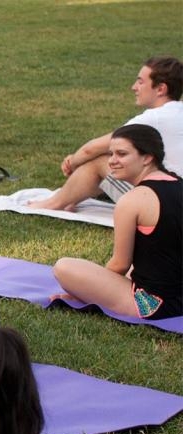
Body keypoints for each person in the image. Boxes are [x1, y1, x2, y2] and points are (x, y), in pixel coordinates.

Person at [53, 124, 182, 319]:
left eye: (121, 154)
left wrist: (87, 291)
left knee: (63, 267)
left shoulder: (132, 201)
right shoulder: (179, 185)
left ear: (147, 157)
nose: (112, 161)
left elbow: (119, 265)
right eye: (111, 154)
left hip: (154, 304)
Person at [31, 55, 183, 211]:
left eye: (140, 81)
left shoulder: (154, 118)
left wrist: (72, 162)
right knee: (125, 163)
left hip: (169, 205)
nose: (134, 87)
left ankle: (53, 204)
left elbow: (92, 149)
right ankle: (72, 199)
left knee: (103, 161)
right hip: (174, 193)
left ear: (160, 89)